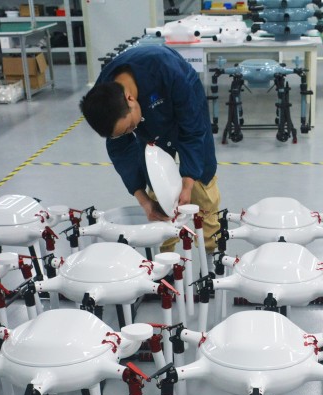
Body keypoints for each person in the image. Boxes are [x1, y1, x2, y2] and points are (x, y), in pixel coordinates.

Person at [80, 45, 220, 253]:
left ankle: (210, 252)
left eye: (129, 127)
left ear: (130, 99)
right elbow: (121, 152)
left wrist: (188, 183)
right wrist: (144, 201)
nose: (129, 132)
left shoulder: (169, 71)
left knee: (202, 183)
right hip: (150, 121)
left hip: (183, 98)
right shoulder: (104, 97)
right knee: (159, 184)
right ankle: (166, 261)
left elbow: (193, 131)